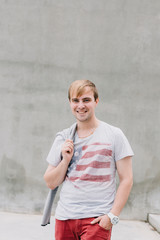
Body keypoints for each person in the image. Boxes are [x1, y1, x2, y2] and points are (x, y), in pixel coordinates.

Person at [44, 79, 134, 240]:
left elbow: (127, 179)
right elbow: (50, 182)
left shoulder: (114, 135)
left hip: (96, 220)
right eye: (75, 100)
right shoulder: (63, 138)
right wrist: (65, 160)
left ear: (96, 101)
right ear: (70, 103)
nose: (81, 105)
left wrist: (112, 216)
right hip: (65, 218)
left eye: (86, 100)